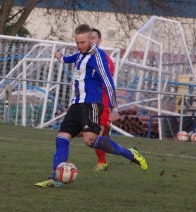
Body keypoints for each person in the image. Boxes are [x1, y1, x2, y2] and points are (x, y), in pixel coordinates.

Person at [34, 24, 148, 188]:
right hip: (76, 104)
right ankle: (56, 178)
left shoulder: (98, 56)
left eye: (82, 42)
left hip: (92, 104)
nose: (79, 46)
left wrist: (113, 107)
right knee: (61, 138)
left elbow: (108, 82)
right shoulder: (79, 54)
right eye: (77, 42)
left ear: (90, 40)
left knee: (90, 140)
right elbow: (69, 58)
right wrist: (60, 57)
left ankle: (129, 153)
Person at [90, 28, 115, 171]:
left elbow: (106, 80)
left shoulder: (105, 59)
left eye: (94, 38)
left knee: (95, 135)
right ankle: (106, 134)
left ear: (99, 40)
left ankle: (102, 161)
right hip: (86, 102)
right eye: (89, 38)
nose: (91, 40)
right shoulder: (83, 57)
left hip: (101, 101)